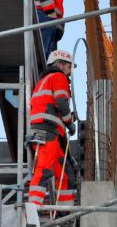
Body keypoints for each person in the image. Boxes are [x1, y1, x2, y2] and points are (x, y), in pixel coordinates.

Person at [28, 50, 76, 210]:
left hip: (47, 133)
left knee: (65, 173)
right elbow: (61, 102)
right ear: (60, 64)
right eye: (69, 67)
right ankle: (32, 211)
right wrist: (69, 121)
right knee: (44, 170)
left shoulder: (43, 81)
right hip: (47, 133)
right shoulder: (58, 77)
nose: (70, 73)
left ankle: (64, 214)